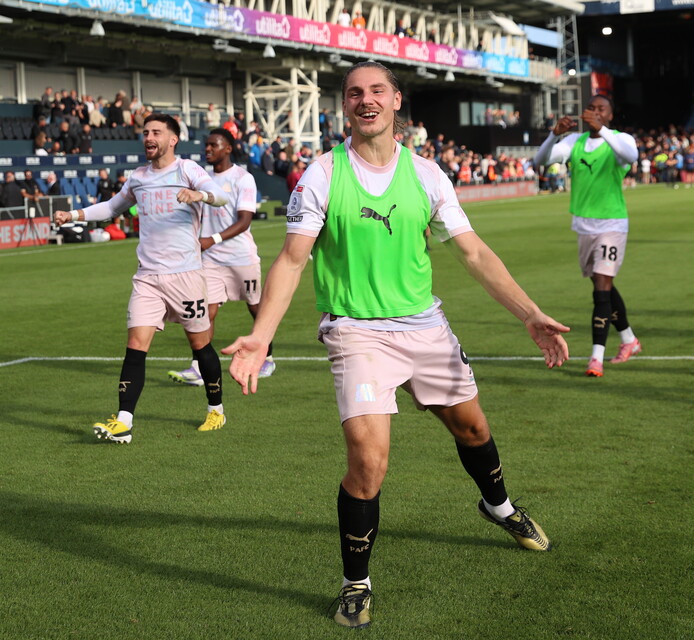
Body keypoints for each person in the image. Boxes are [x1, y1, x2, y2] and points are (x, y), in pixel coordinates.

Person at [222, 61, 568, 629]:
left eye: (376, 90)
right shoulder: (323, 174)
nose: (366, 100)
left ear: (396, 100)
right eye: (355, 92)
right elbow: (291, 257)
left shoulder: (428, 174)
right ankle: (356, 582)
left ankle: (500, 507)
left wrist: (529, 313)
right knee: (369, 460)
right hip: (356, 331)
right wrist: (261, 335)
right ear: (345, 106)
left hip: (425, 327)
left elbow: (474, 253)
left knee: (473, 430)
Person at [52, 113, 230, 443]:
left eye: (156, 133)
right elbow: (110, 208)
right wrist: (73, 215)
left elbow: (220, 196)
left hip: (186, 276)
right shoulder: (138, 177)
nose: (148, 137)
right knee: (135, 346)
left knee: (200, 345)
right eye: (145, 132)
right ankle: (124, 422)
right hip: (148, 277)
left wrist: (198, 195)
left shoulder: (187, 170)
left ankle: (216, 409)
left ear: (172, 139)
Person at [533, 94, 641, 377]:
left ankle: (597, 357)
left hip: (612, 224)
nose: (594, 112)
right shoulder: (574, 141)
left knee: (601, 289)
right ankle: (629, 339)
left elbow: (632, 156)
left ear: (609, 116)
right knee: (601, 283)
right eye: (591, 107)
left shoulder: (620, 139)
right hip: (584, 225)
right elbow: (541, 160)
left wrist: (603, 130)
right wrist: (553, 136)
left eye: (601, 109)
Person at [168, 129, 275, 385]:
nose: (208, 149)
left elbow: (245, 221)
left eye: (213, 145)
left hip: (241, 257)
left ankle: (267, 358)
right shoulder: (201, 180)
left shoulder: (243, 178)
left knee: (256, 308)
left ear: (228, 148)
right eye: (206, 145)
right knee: (206, 311)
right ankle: (199, 367)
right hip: (210, 259)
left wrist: (211, 240)